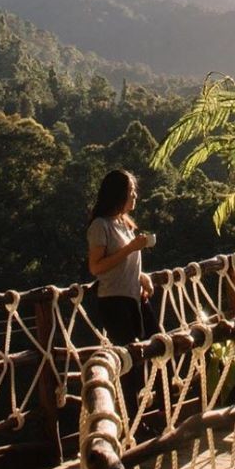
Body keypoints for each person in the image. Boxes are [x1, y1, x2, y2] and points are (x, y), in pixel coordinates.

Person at [86, 169, 156, 421]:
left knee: (153, 348)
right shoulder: (100, 226)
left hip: (134, 297)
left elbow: (124, 263)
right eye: (130, 191)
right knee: (130, 361)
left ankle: (146, 414)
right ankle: (132, 421)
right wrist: (130, 248)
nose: (135, 195)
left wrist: (141, 276)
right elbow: (96, 267)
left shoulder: (123, 223)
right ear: (118, 195)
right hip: (114, 301)